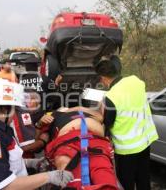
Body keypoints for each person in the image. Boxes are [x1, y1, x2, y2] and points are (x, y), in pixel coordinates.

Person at [0, 78, 73, 190]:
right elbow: (5, 186)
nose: (15, 113)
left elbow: (5, 161)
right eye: (14, 109)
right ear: (5, 109)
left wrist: (30, 163)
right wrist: (49, 177)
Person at [94, 54, 159, 190]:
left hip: (126, 151)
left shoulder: (110, 96)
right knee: (143, 180)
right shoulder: (136, 81)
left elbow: (107, 125)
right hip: (144, 142)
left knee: (126, 184)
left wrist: (101, 108)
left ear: (104, 79)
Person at [42, 106, 119, 190]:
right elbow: (39, 129)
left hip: (95, 139)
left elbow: (100, 116)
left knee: (102, 169)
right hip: (67, 140)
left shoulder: (93, 114)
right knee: (65, 166)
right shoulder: (53, 115)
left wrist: (70, 109)